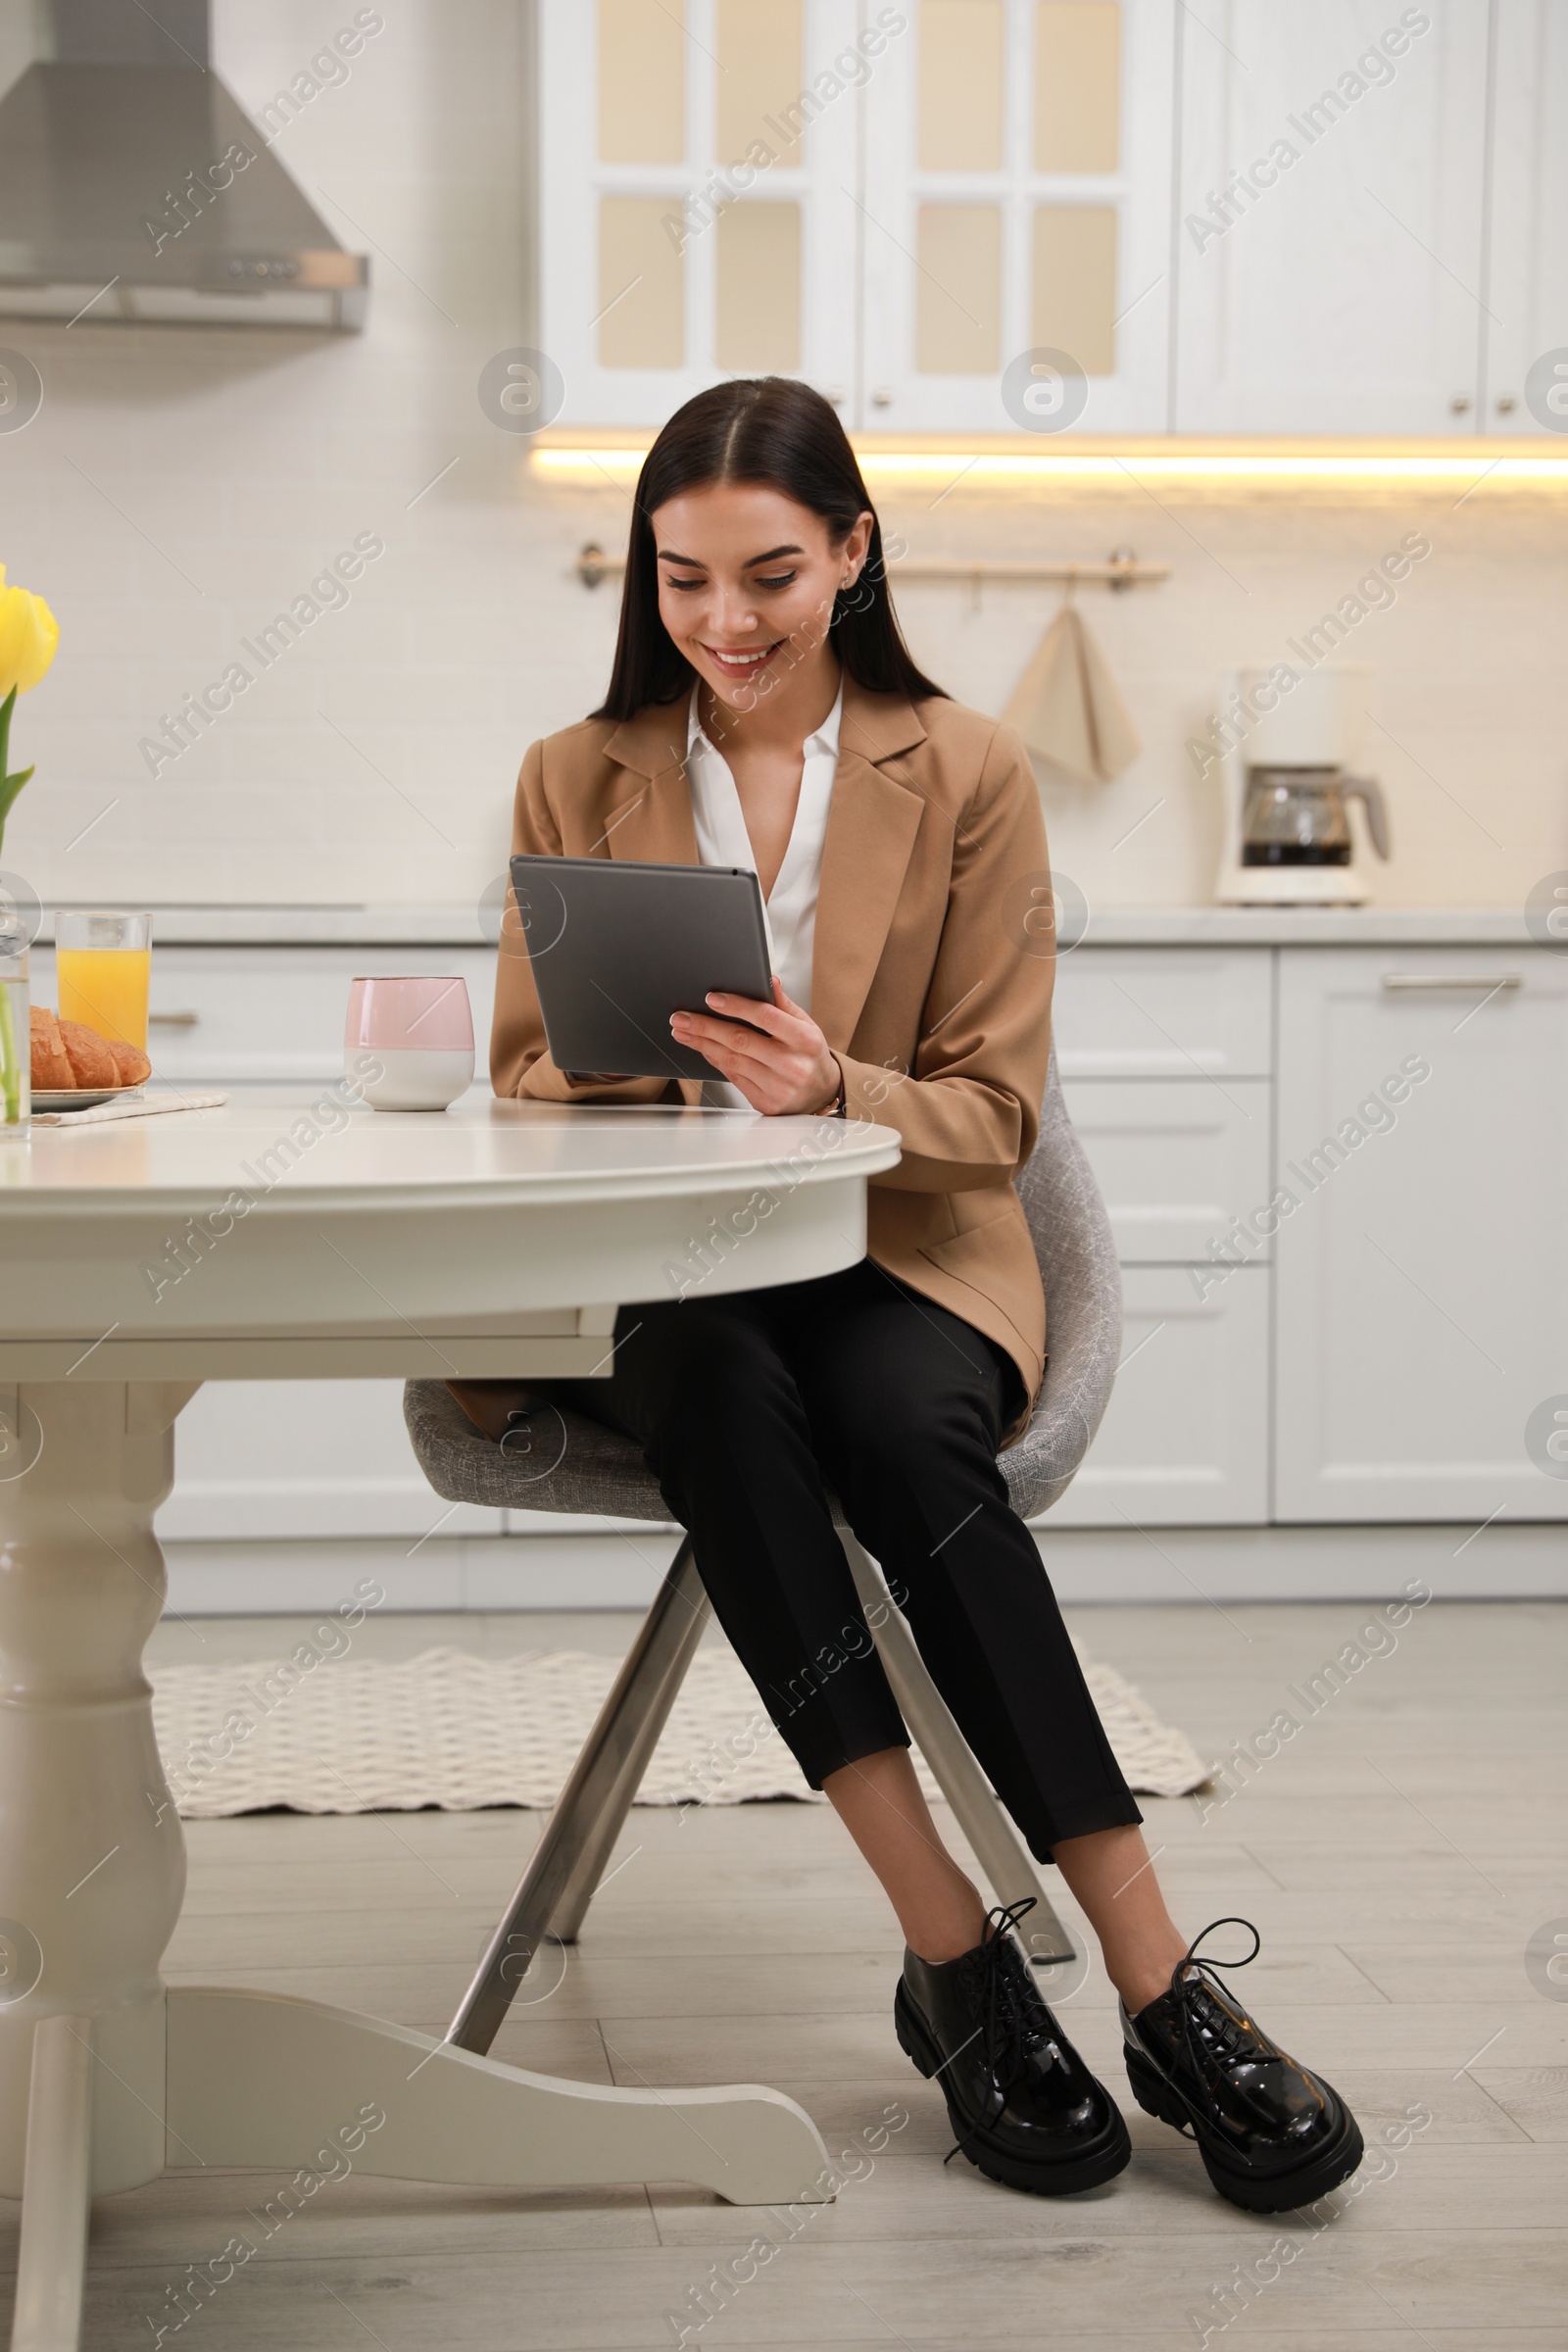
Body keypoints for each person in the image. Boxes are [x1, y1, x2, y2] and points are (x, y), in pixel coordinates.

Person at [483, 376, 1362, 2212]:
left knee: (900, 1433)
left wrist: (831, 1091)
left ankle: (1152, 1978)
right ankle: (952, 1949)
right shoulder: (579, 771)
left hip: (899, 1242)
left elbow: (992, 1110)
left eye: (772, 574)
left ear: (856, 553)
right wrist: (660, 1069)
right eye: (683, 579)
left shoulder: (963, 768)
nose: (725, 623)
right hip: (676, 1268)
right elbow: (520, 1076)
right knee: (722, 1396)